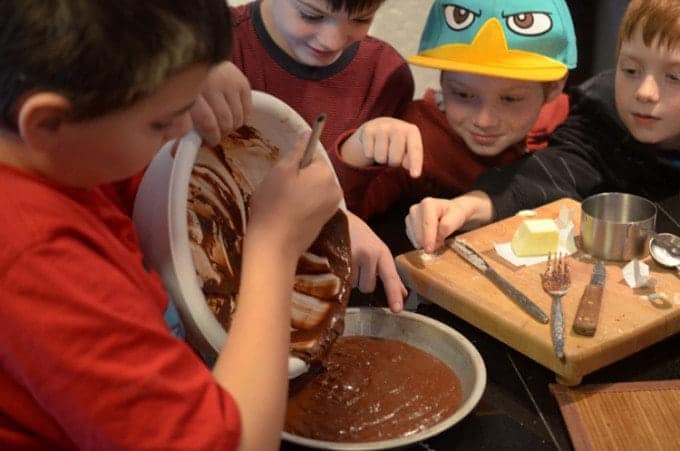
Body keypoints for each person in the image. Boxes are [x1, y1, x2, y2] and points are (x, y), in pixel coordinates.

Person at [0, 1, 342, 450]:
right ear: (47, 122)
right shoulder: (38, 262)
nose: (187, 125)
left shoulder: (59, 154)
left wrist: (186, 76)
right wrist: (273, 244)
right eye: (161, 121)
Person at [406, 0, 680, 253]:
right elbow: (556, 169)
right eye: (631, 70)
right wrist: (470, 206)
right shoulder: (601, 112)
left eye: (675, 77)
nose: (645, 92)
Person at [192, 0, 413, 311]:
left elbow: (367, 205)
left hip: (313, 290)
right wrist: (190, 70)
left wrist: (357, 153)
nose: (331, 40)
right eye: (311, 15)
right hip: (206, 279)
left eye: (361, 19)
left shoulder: (386, 75)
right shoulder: (209, 48)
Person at [328, 0, 577, 220]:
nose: (484, 120)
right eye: (463, 95)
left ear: (553, 88)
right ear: (442, 79)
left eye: (510, 99)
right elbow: (339, 218)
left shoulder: (565, 120)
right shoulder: (417, 141)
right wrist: (357, 152)